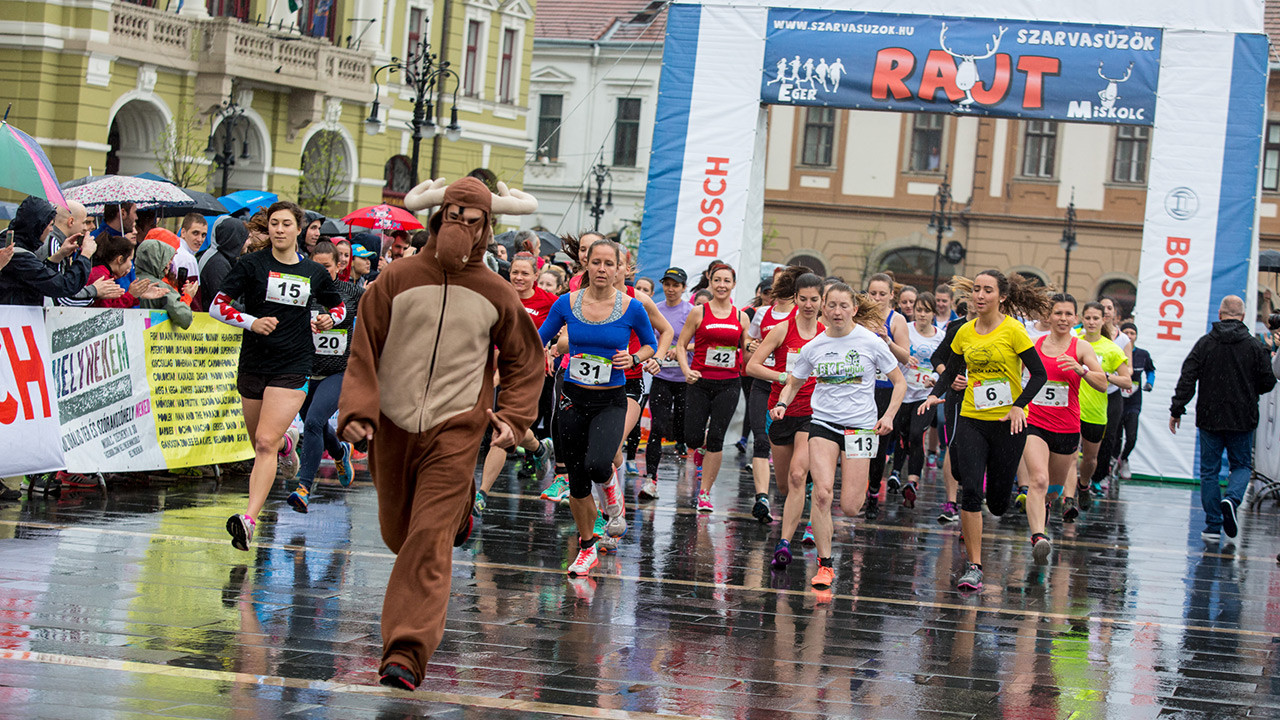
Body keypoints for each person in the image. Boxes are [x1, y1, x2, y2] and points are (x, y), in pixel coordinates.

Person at [338, 177, 543, 691]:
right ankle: (458, 513)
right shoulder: (396, 278)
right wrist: (359, 412)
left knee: (427, 540)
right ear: (439, 215)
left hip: (456, 430)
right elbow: (365, 347)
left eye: (474, 221)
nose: (463, 228)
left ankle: (405, 651)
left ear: (486, 227)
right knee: (398, 533)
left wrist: (514, 419)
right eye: (455, 216)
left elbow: (525, 360)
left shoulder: (497, 291)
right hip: (393, 425)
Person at [210, 201, 347, 552]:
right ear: (268, 228)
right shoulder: (251, 265)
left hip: (293, 364)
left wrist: (330, 319)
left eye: (286, 223)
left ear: (298, 229)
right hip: (254, 362)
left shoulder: (312, 272)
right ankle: (289, 444)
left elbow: (338, 305)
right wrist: (250, 322)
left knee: (264, 444)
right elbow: (217, 304)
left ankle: (249, 520)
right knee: (260, 440)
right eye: (274, 223)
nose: (280, 229)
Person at [919, 270, 1050, 592]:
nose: (979, 296)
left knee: (999, 503)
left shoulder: (1014, 331)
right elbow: (951, 370)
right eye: (976, 290)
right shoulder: (964, 332)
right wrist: (938, 393)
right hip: (972, 417)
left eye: (987, 290)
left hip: (1009, 423)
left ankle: (1003, 503)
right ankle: (974, 566)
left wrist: (1019, 405)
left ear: (1001, 297)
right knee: (972, 491)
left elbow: (1038, 374)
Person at [772, 283, 903, 590]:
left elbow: (899, 382)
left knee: (850, 507)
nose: (837, 311)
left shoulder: (870, 341)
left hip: (860, 428)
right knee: (821, 493)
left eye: (844, 306)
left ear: (854, 309)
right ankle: (825, 565)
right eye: (832, 306)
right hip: (823, 425)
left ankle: (860, 495)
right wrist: (781, 403)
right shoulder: (814, 346)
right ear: (824, 309)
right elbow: (793, 382)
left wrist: (888, 416)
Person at [538, 238, 658, 568]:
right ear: (586, 266)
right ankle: (587, 546)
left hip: (611, 401)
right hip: (572, 399)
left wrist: (633, 358)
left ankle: (615, 503)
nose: (602, 269)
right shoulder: (566, 303)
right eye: (596, 263)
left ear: (618, 268)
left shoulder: (631, 307)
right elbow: (540, 336)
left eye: (609, 263)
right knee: (576, 483)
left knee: (598, 464)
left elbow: (650, 344)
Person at [1170, 295, 1276, 544]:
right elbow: (1268, 381)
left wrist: (1177, 409)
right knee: (1241, 466)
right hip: (1243, 416)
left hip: (1209, 417)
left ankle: (1212, 526)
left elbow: (1188, 377)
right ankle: (1232, 499)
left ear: (1219, 314)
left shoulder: (1205, 344)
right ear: (1242, 316)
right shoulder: (1254, 346)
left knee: (1209, 472)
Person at [1022, 294, 1108, 561]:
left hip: (1067, 427)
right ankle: (1038, 535)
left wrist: (1081, 370)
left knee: (1052, 490)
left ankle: (1044, 511)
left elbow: (1103, 383)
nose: (1062, 318)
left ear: (1076, 318)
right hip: (1034, 423)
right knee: (1037, 479)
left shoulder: (1081, 348)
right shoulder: (1033, 346)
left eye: (1068, 314)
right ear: (1049, 317)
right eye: (1057, 313)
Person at [746, 272, 824, 567]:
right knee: (783, 484)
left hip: (812, 413)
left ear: (821, 300)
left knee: (796, 476)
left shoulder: (826, 332)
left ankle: (784, 543)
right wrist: (783, 376)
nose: (808, 305)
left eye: (813, 299)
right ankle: (807, 492)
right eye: (802, 299)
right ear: (795, 298)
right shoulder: (781, 330)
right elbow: (751, 366)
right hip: (780, 410)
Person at [473, 252, 557, 516]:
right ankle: (538, 447)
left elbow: (565, 328)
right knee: (509, 428)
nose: (519, 278)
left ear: (535, 276)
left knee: (505, 427)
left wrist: (553, 349)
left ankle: (482, 494)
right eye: (515, 273)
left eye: (525, 273)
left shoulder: (550, 302)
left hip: (528, 373)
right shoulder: (501, 295)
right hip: (495, 367)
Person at [284, 241, 363, 513]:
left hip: (338, 372)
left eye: (326, 267)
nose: (320, 271)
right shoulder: (302, 292)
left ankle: (304, 488)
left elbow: (381, 310)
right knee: (313, 422)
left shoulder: (351, 292)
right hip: (305, 369)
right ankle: (340, 452)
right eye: (315, 266)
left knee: (315, 420)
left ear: (338, 266)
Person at [676, 263, 750, 513]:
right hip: (699, 382)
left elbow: (746, 346)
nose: (721, 285)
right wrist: (686, 371)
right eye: (717, 280)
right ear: (711, 281)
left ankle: (705, 494)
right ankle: (701, 448)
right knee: (693, 438)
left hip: (728, 384)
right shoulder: (699, 312)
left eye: (726, 281)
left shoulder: (741, 317)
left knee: (717, 438)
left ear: (733, 284)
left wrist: (752, 349)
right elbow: (681, 344)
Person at [742, 266, 806, 522]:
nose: (777, 290)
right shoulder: (762, 314)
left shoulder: (803, 316)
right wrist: (750, 345)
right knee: (760, 440)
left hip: (794, 391)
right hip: (765, 384)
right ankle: (762, 498)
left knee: (791, 449)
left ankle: (802, 483)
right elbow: (750, 345)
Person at [1065, 302, 1131, 519]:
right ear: (1081, 319)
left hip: (1096, 411)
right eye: (1088, 318)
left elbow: (1126, 381)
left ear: (1104, 320)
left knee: (1090, 459)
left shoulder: (1111, 348)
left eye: (1096, 318)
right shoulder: (1073, 343)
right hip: (1072, 409)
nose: (1091, 322)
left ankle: (1084, 485)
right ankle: (1069, 500)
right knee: (1071, 456)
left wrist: (1104, 376)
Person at [639, 267, 693, 500]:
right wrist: (657, 354)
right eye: (667, 284)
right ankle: (651, 479)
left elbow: (698, 342)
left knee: (684, 426)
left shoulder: (692, 311)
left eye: (676, 285)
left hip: (685, 378)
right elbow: (649, 340)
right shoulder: (656, 309)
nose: (671, 289)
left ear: (684, 288)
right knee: (658, 428)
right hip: (661, 378)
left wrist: (679, 350)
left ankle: (682, 441)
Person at [863, 273, 911, 520]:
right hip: (860, 389)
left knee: (879, 446)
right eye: (873, 293)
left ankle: (873, 493)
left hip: (885, 390)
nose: (877, 298)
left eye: (882, 294)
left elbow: (906, 357)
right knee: (858, 442)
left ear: (892, 295)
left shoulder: (897, 320)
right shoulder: (859, 317)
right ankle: (860, 489)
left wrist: (886, 341)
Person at [890, 292, 944, 507]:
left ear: (933, 313)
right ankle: (895, 471)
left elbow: (943, 364)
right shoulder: (906, 330)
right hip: (903, 392)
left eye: (926, 310)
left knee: (915, 434)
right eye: (919, 310)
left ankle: (912, 481)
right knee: (901, 433)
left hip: (924, 396)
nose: (922, 314)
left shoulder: (940, 336)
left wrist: (935, 378)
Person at [0, 196, 94, 306]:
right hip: (14, 320)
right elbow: (61, 287)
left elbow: (40, 276)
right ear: (39, 226)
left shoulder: (16, 245)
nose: (51, 230)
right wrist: (85, 255)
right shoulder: (15, 254)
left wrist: (59, 255)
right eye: (50, 225)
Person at [1117, 321, 1155, 480]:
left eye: (1133, 333)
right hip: (1117, 400)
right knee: (1115, 436)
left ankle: (1123, 458)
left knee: (1131, 437)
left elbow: (1151, 370)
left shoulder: (1143, 354)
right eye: (1127, 333)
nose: (1130, 336)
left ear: (1137, 336)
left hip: (1134, 401)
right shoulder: (1116, 351)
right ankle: (1111, 464)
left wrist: (1149, 383)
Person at [86, 234, 166, 308]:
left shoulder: (102, 273)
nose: (131, 265)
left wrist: (137, 295)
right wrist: (131, 295)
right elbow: (107, 312)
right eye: (130, 260)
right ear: (120, 259)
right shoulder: (101, 276)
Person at [198, 217, 247, 309]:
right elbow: (223, 300)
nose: (248, 243)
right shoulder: (217, 263)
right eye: (245, 238)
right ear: (235, 239)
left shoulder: (219, 256)